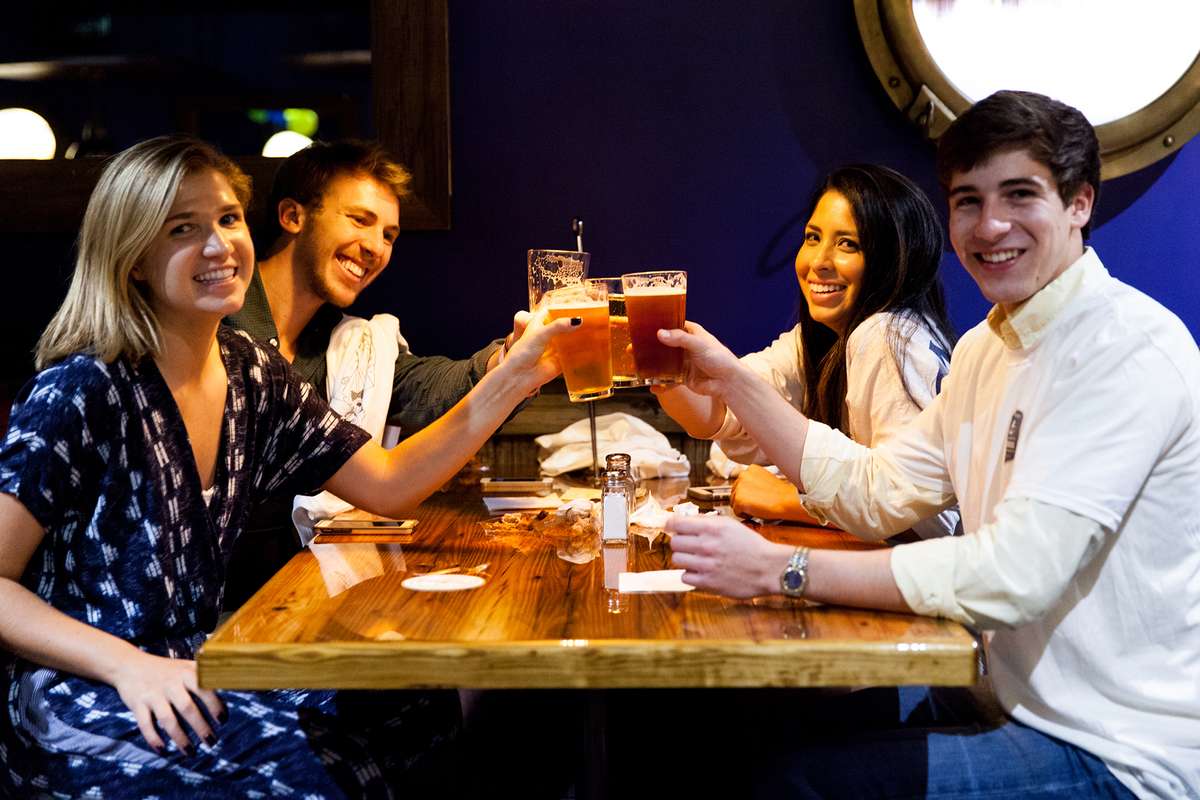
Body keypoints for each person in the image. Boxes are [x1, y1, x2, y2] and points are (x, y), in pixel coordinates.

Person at [660, 91, 1199, 798]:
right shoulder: (985, 348)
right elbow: (878, 491)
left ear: (1079, 204)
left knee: (796, 783)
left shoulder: (1125, 349)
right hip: (996, 695)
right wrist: (731, 378)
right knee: (746, 725)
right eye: (968, 200)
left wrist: (782, 569)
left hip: (1114, 749)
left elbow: (1012, 574)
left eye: (1019, 195)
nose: (990, 224)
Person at [0, 135, 575, 797]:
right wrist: (131, 666)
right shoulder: (82, 389)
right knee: (304, 783)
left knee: (413, 707)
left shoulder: (251, 371)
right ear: (132, 257)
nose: (219, 246)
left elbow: (386, 484)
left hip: (199, 664)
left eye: (227, 219)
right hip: (86, 689)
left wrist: (516, 379)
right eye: (183, 228)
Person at [222, 139, 519, 607]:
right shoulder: (219, 332)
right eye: (360, 220)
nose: (376, 247)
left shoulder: (353, 344)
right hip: (211, 625)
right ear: (292, 216)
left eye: (389, 235)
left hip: (304, 602)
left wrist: (509, 360)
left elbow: (428, 388)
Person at [655, 164, 959, 539]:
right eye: (813, 237)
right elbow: (721, 414)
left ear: (894, 258)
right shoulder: (824, 338)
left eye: (848, 243)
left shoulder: (885, 334)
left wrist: (787, 501)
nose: (818, 262)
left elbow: (915, 516)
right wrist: (663, 370)